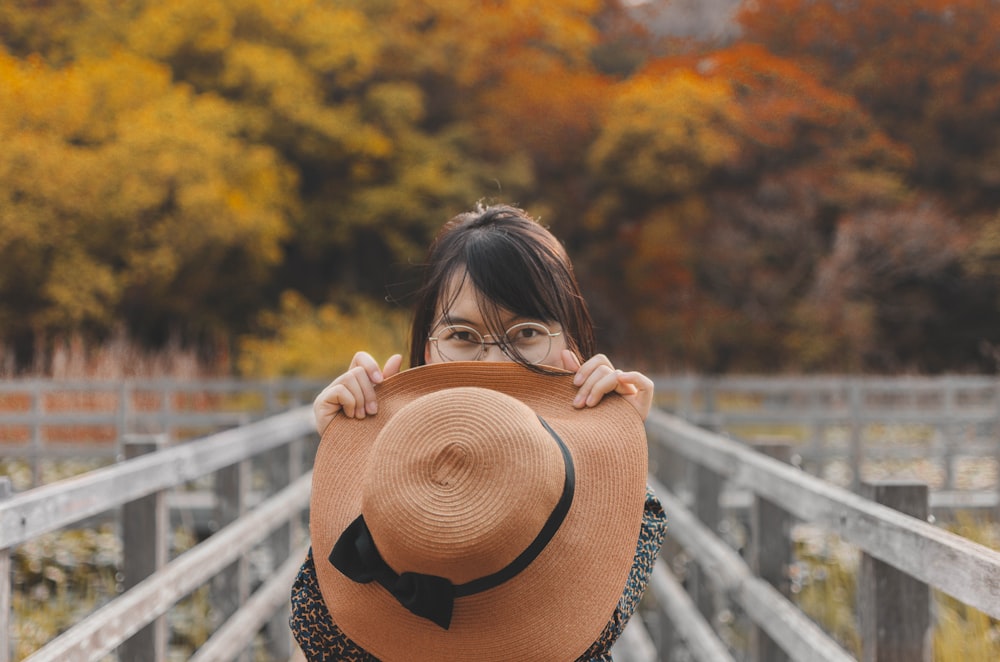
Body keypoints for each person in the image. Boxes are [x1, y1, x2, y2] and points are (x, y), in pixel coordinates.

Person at [291, 203, 666, 661]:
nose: (495, 364)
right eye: (463, 337)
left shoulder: (594, 480)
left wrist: (615, 446)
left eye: (526, 332)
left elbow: (585, 636)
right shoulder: (394, 467)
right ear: (427, 348)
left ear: (572, 342)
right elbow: (329, 640)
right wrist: (348, 458)